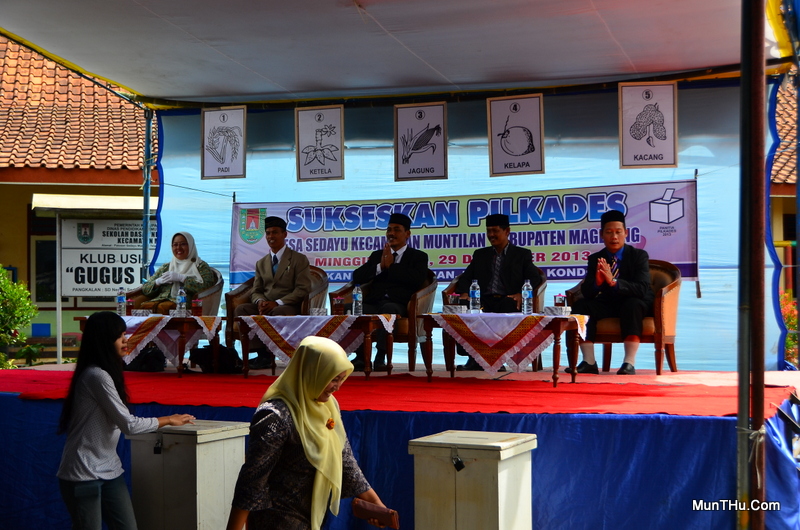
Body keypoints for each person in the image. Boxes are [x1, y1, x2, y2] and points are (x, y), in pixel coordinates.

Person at [226, 336, 387, 530]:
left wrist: (377, 506)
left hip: (310, 517)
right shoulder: (275, 415)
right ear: (313, 372)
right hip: (277, 519)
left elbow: (345, 461)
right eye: (333, 379)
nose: (337, 387)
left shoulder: (327, 407)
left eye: (341, 379)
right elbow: (252, 480)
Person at [57, 311, 196, 530]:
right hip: (83, 473)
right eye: (119, 336)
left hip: (110, 470)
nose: (126, 340)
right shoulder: (96, 375)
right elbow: (129, 425)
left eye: (125, 334)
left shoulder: (105, 373)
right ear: (103, 340)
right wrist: (168, 419)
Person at [567, 209, 654, 375]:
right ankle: (589, 361)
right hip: (609, 302)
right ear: (602, 235)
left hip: (635, 300)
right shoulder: (596, 258)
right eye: (609, 232)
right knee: (581, 306)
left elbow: (642, 288)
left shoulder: (638, 255)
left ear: (626, 233)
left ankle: (629, 363)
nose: (614, 237)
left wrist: (614, 282)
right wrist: (598, 283)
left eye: (618, 232)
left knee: (632, 305)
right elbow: (587, 292)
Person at [454, 213, 544, 370]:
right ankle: (473, 358)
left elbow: (535, 278)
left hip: (507, 299)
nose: (491, 235)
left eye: (495, 231)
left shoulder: (521, 254)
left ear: (507, 231)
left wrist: (520, 294)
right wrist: (464, 293)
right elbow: (466, 277)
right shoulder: (480, 254)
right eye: (488, 231)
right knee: (463, 307)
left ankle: (497, 359)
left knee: (507, 306)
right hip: (483, 299)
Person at [350, 213, 429, 372]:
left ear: (407, 234)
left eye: (397, 230)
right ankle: (361, 357)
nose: (391, 233)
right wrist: (380, 266)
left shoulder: (418, 256)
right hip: (375, 301)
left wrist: (392, 266)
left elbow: (417, 280)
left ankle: (381, 357)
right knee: (353, 309)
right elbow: (357, 276)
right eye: (389, 230)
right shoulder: (377, 255)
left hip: (399, 304)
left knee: (388, 310)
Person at [234, 216, 312, 369]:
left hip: (287, 305)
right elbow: (256, 290)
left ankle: (275, 354)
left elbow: (303, 289)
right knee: (242, 310)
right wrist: (260, 301)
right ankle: (261, 355)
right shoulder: (261, 263)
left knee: (277, 311)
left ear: (284, 234)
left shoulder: (298, 259)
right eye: (268, 233)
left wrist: (277, 302)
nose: (271, 236)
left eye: (275, 232)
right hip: (266, 305)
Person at [140, 231, 216, 314]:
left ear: (191, 245)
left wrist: (183, 279)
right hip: (159, 302)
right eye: (175, 245)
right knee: (143, 308)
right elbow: (145, 289)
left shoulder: (200, 266)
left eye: (183, 244)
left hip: (183, 305)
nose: (178, 248)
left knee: (165, 308)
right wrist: (157, 282)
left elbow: (207, 288)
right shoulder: (166, 267)